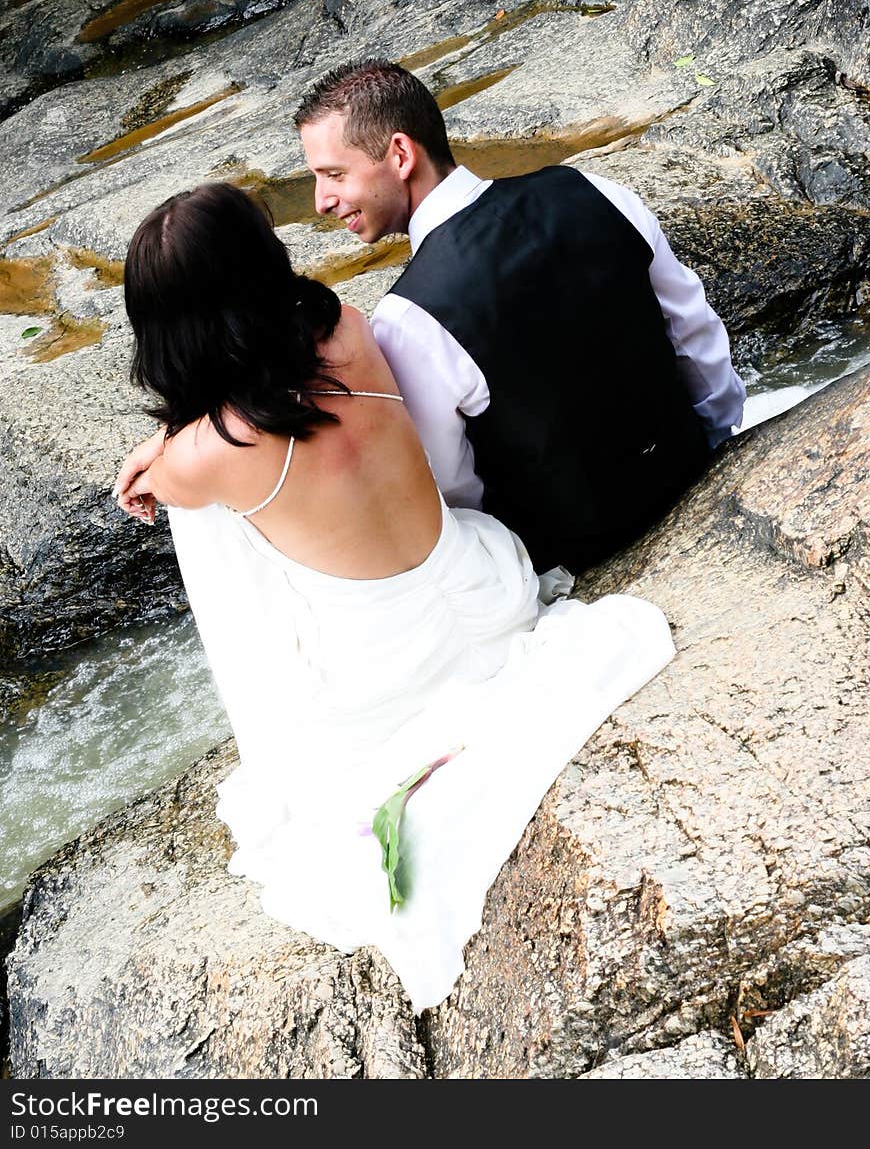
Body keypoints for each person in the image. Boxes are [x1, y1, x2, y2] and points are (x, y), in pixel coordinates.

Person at [115, 181, 675, 1013]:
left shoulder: (203, 456)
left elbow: (160, 468)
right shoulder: (340, 325)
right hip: (491, 586)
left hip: (390, 674)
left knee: (196, 524)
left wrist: (158, 450)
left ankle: (267, 716)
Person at [294, 58, 746, 574]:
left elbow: (456, 494)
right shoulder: (592, 189)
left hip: (576, 560)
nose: (321, 202)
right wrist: (716, 441)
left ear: (400, 154)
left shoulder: (407, 320)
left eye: (333, 174)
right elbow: (695, 334)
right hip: (690, 469)